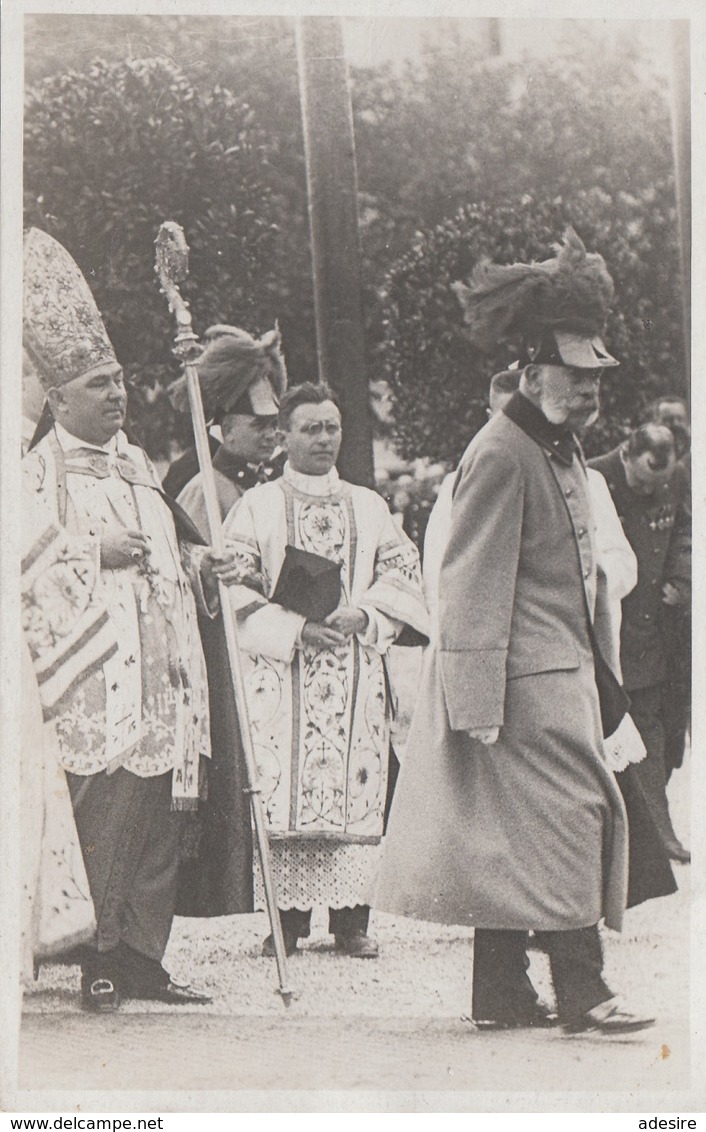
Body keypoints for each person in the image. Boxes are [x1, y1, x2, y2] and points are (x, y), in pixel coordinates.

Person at [376, 229, 654, 1035]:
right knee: (574, 819)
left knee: (509, 835)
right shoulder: (503, 452)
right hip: (519, 684)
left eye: (597, 375)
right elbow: (468, 581)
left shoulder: (553, 446)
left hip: (562, 673)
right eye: (574, 374)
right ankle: (585, 991)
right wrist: (473, 699)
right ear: (532, 375)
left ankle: (498, 992)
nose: (590, 388)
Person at [22, 227, 236, 1012]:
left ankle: (146, 954)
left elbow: (165, 549)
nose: (117, 395)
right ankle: (98, 958)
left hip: (163, 673)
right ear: (62, 397)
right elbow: (25, 561)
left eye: (118, 382)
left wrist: (200, 563)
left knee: (158, 821)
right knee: (103, 821)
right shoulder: (35, 473)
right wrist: (90, 547)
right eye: (100, 385)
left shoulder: (139, 464)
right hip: (93, 676)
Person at [220, 382, 428, 959]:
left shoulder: (369, 505)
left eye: (332, 427)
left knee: (356, 789)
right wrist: (292, 629)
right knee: (285, 788)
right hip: (284, 678)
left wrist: (364, 612)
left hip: (353, 668)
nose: (324, 438)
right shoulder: (256, 507)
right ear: (281, 437)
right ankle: (286, 923)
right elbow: (232, 586)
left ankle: (351, 920)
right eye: (310, 428)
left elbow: (403, 572)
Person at [589, 425, 690, 863]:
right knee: (618, 733)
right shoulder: (593, 479)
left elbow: (686, 533)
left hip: (654, 633)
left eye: (658, 484)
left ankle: (653, 831)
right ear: (627, 455)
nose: (651, 491)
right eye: (643, 481)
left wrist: (685, 578)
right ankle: (641, 839)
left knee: (661, 735)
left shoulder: (671, 481)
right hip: (611, 632)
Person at [174, 325, 286, 540]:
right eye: (259, 425)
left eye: (273, 425)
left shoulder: (275, 481)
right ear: (228, 430)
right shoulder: (205, 491)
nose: (271, 435)